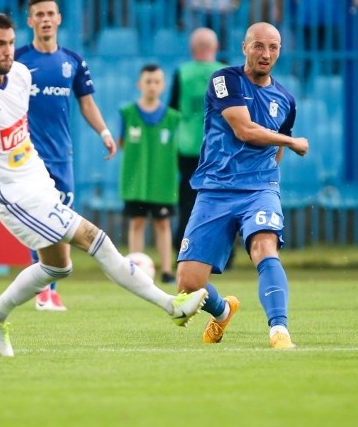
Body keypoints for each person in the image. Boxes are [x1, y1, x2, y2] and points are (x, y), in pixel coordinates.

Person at [0, 8, 208, 357]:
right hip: (11, 194)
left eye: (9, 42)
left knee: (58, 266)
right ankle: (172, 306)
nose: (7, 50)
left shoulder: (21, 75)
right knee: (94, 238)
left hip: (37, 179)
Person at [175, 21, 309, 350]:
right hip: (214, 190)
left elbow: (274, 152)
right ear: (244, 47)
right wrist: (291, 141)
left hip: (259, 191)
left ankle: (279, 330)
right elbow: (245, 130)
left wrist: (264, 175)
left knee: (265, 248)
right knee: (189, 285)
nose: (266, 54)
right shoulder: (225, 79)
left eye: (273, 47)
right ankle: (222, 311)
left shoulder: (286, 100)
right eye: (259, 46)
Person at [15, 0, 117, 311]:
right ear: (30, 21)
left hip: (62, 158)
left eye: (50, 14)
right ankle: (45, 292)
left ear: (59, 19)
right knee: (38, 222)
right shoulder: (17, 61)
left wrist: (103, 132)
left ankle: (47, 289)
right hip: (28, 157)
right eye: (39, 14)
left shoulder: (72, 61)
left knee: (58, 223)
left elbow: (86, 102)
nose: (45, 19)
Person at [118, 64, 180, 284]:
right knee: (137, 222)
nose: (152, 86)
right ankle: (134, 271)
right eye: (148, 81)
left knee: (163, 224)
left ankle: (166, 271)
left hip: (161, 182)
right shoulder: (127, 113)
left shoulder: (173, 117)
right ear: (139, 84)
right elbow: (122, 143)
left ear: (162, 86)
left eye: (156, 82)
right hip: (136, 182)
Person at [168, 28, 224, 257]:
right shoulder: (224, 73)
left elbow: (172, 110)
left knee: (188, 200)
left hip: (189, 146)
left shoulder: (182, 73)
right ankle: (223, 255)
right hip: (219, 147)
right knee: (220, 200)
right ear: (215, 48)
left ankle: (184, 249)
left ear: (192, 50)